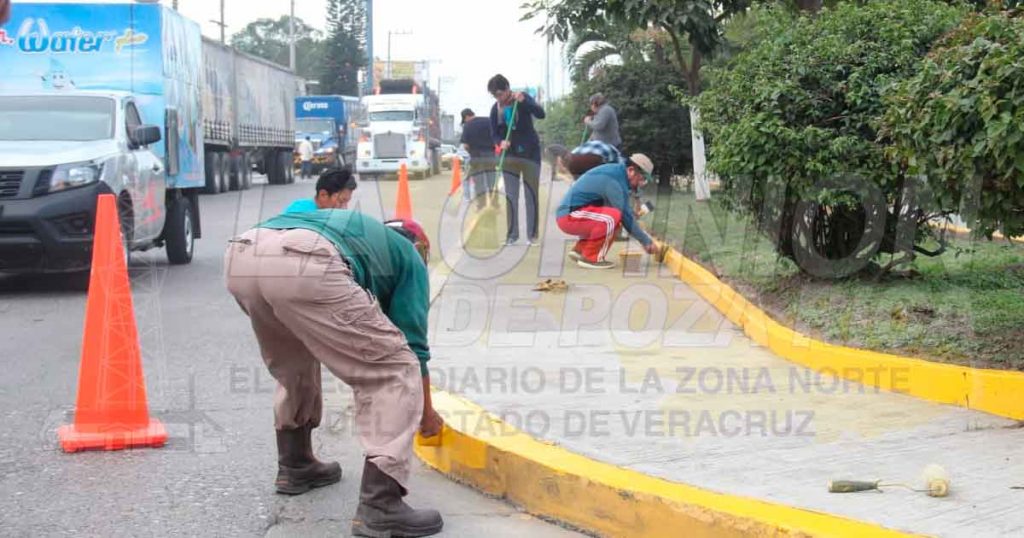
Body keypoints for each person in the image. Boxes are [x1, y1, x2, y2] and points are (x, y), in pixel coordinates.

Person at [224, 210, 444, 537]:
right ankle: (381, 504)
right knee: (393, 369)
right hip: (303, 261)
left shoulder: (358, 234)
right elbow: (413, 346)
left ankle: (296, 464)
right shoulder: (408, 258)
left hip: (243, 253)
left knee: (294, 358)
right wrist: (426, 414)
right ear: (417, 245)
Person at [556, 153, 659, 269]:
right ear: (631, 171)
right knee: (612, 217)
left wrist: (631, 213)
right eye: (642, 179)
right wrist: (646, 241)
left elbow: (622, 209)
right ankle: (591, 258)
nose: (642, 183)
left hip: (576, 214)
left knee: (614, 217)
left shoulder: (617, 174)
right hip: (570, 216)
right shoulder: (613, 181)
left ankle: (581, 250)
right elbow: (625, 215)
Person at [488, 74, 545, 246]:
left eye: (499, 94)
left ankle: (532, 235)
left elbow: (541, 114)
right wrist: (500, 142)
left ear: (507, 89)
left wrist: (525, 102)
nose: (498, 98)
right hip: (510, 156)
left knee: (531, 194)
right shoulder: (495, 108)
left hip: (530, 155)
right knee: (511, 196)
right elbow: (493, 133)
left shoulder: (523, 99)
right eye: (494, 95)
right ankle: (512, 235)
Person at [459, 108, 496, 208]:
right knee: (491, 181)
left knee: (479, 182)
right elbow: (496, 136)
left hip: (476, 157)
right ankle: (494, 204)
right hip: (490, 155)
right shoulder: (489, 121)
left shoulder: (467, 126)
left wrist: (470, 152)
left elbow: (466, 145)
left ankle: (481, 205)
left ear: (466, 117)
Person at [283, 168, 357, 214]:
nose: (344, 208)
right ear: (323, 195)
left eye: (346, 202)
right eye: (341, 201)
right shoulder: (300, 214)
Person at [551, 140, 625, 180]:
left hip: (611, 159)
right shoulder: (573, 155)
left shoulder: (576, 163)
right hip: (605, 155)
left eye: (554, 163)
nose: (555, 165)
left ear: (559, 158)